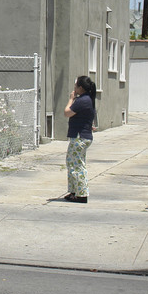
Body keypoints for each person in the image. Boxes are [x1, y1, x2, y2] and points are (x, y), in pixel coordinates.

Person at [62, 75, 96, 203]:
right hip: (80, 136)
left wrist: (71, 99)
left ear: (80, 88)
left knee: (77, 165)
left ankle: (81, 194)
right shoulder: (87, 99)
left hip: (79, 137)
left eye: (76, 86)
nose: (74, 88)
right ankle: (73, 191)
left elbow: (67, 112)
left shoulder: (83, 100)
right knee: (72, 163)